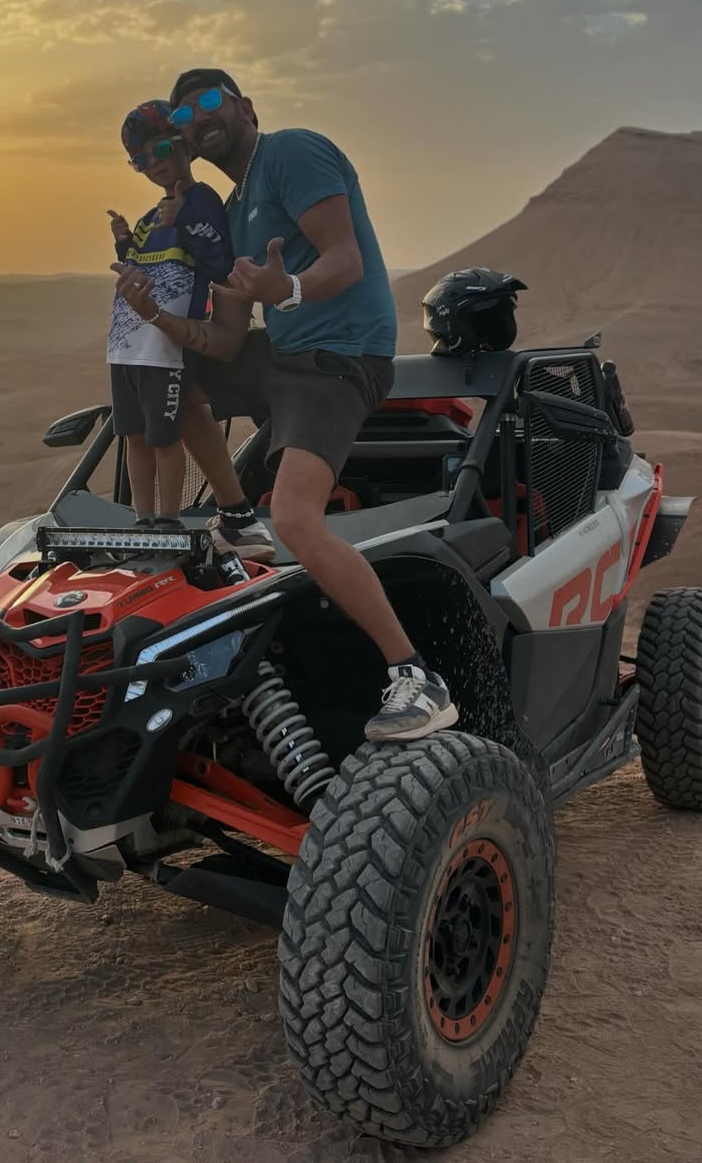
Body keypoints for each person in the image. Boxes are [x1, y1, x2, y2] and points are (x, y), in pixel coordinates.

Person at [113, 69, 456, 741]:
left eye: (210, 101)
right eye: (183, 116)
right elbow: (228, 337)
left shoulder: (293, 152)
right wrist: (156, 316)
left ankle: (417, 675)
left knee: (298, 520)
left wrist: (289, 287)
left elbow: (345, 259)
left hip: (340, 358)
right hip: (283, 354)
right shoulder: (235, 209)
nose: (196, 119)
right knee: (175, 372)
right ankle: (236, 514)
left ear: (245, 107)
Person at [106, 98, 274, 559]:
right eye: (140, 160)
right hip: (130, 345)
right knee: (135, 435)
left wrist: (182, 226)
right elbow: (138, 260)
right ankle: (145, 521)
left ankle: (167, 520)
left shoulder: (200, 202)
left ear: (184, 145)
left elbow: (218, 264)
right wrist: (125, 238)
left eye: (160, 149)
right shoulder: (153, 214)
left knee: (165, 433)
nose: (153, 164)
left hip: (165, 344)